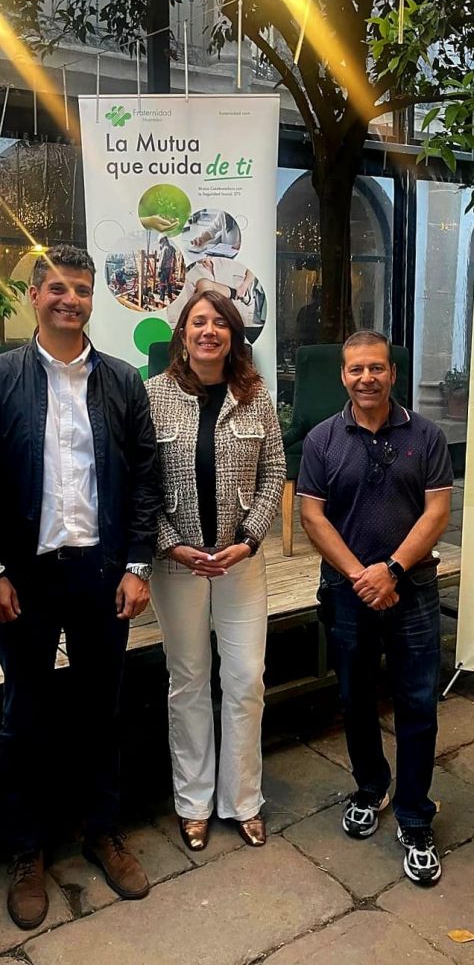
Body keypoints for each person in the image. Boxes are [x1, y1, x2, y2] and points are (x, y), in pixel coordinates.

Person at [0, 244, 161, 930]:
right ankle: (27, 851)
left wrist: (138, 564)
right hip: (26, 577)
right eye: (57, 288)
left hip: (102, 573)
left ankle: (103, 831)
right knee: (25, 715)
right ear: (34, 296)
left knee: (103, 708)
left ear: (92, 298)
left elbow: (146, 476)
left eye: (81, 289)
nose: (70, 300)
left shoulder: (123, 381)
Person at [298, 331, 452, 886]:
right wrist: (361, 577)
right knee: (354, 697)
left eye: (377, 368)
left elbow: (437, 511)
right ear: (343, 376)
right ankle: (370, 787)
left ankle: (414, 816)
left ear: (392, 373)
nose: (367, 378)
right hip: (347, 592)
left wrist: (391, 570)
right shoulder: (321, 439)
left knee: (418, 704)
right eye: (356, 369)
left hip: (413, 589)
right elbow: (312, 516)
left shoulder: (427, 435)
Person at [145, 290, 285, 852]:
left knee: (246, 679)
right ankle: (193, 803)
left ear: (233, 336)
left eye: (220, 323)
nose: (209, 331)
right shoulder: (153, 395)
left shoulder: (256, 394)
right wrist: (170, 544)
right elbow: (139, 481)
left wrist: (249, 540)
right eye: (198, 321)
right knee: (188, 679)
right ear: (183, 333)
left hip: (239, 562)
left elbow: (274, 471)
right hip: (177, 565)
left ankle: (243, 800)